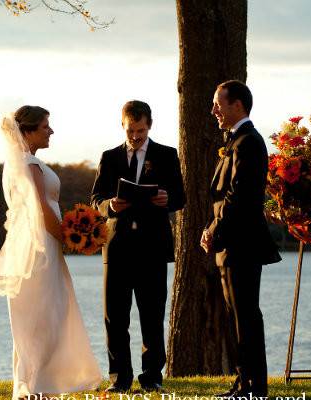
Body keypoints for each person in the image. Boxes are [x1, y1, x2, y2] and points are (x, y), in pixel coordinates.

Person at [0, 105, 102, 399]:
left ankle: (35, 384)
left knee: (42, 315)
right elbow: (40, 208)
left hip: (32, 244)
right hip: (42, 246)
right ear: (28, 131)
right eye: (45, 126)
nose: (51, 131)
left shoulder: (19, 164)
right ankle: (39, 386)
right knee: (47, 315)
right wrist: (69, 238)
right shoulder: (30, 164)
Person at [91, 100, 186, 392]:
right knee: (114, 318)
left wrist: (166, 199)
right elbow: (95, 201)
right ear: (123, 126)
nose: (135, 136)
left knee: (152, 315)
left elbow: (181, 197)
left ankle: (152, 378)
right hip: (117, 247)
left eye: (141, 130)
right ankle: (119, 379)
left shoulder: (168, 155)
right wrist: (110, 205)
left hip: (152, 248)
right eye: (131, 130)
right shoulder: (109, 157)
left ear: (150, 125)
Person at [201, 80, 281, 398]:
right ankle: (243, 381)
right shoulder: (235, 142)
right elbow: (222, 199)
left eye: (218, 104)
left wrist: (213, 230)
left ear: (238, 105)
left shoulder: (250, 142)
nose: (214, 111)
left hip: (243, 243)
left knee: (246, 314)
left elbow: (240, 197)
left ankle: (253, 386)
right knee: (238, 313)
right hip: (228, 243)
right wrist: (212, 229)